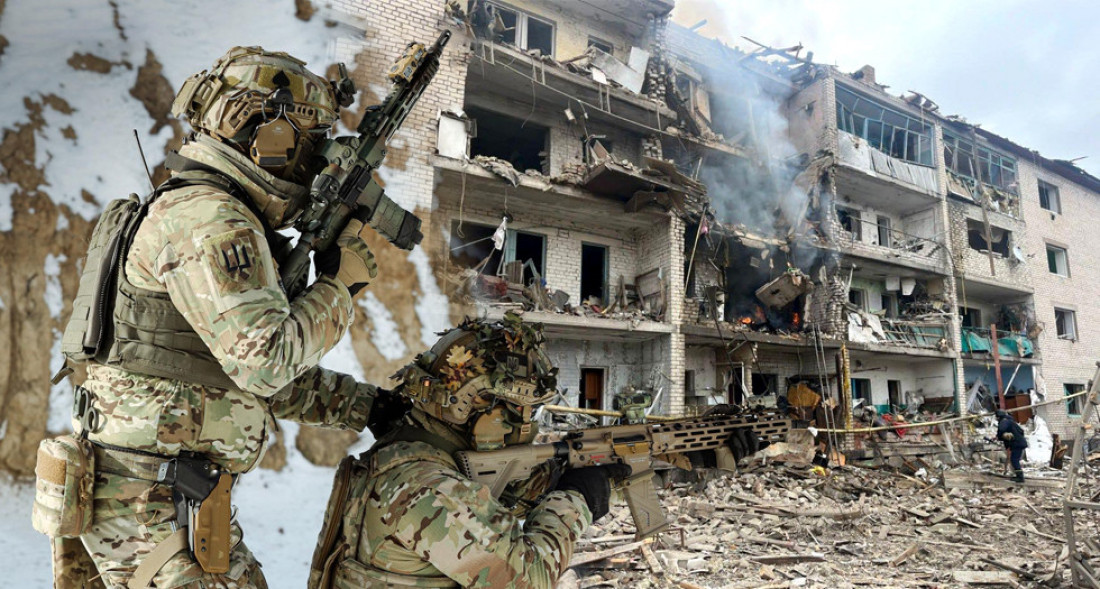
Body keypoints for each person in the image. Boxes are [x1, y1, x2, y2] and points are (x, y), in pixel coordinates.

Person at [43, 47, 396, 588]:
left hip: (152, 494)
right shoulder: (212, 219)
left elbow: (228, 376)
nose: (317, 159)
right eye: (312, 139)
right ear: (270, 135)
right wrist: (339, 288)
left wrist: (369, 407)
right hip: (156, 504)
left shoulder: (200, 210)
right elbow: (265, 364)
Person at [308, 314, 630, 589]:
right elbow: (531, 577)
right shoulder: (428, 489)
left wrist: (582, 475)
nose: (527, 425)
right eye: (523, 412)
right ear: (474, 408)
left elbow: (508, 493)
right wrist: (577, 498)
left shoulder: (413, 451)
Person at [995, 410, 1029, 483]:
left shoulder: (1005, 421)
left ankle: (1020, 477)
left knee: (1014, 460)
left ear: (998, 416)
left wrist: (999, 436)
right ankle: (1018, 476)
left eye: (997, 417)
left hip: (1017, 444)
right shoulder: (1011, 421)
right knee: (1014, 460)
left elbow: (1001, 429)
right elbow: (1021, 431)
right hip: (1018, 443)